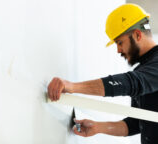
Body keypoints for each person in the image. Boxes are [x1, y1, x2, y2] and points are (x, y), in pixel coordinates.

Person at [47, 3, 158, 144]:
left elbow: (131, 83)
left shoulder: (145, 73)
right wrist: (98, 127)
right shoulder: (143, 71)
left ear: (137, 35)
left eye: (119, 42)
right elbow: (136, 123)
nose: (118, 50)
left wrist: (73, 87)